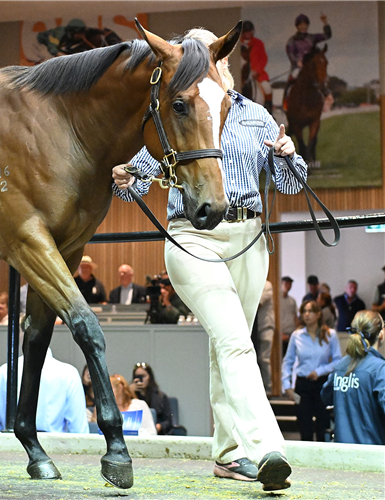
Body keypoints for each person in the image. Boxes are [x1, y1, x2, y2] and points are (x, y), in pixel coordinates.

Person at [111, 27, 307, 491]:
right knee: (237, 342)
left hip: (248, 239)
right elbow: (138, 179)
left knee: (227, 348)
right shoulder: (180, 109)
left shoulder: (257, 116)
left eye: (208, 57)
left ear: (222, 63)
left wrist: (288, 155)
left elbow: (292, 186)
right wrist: (124, 173)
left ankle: (225, 455)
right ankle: (266, 449)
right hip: (193, 238)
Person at [0, 337, 88, 433]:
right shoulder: (69, 374)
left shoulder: (3, 372)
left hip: (10, 447)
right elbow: (79, 431)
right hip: (54, 449)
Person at [321, 310, 385, 445]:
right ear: (381, 334)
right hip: (373, 455)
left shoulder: (340, 366)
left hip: (342, 455)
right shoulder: (379, 369)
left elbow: (326, 397)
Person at [282, 300, 341, 442]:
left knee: (323, 427)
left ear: (318, 314)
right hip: (304, 384)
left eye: (310, 311)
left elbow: (338, 360)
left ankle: (323, 463)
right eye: (304, 311)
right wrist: (287, 386)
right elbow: (287, 361)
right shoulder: (297, 335)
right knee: (305, 428)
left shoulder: (330, 334)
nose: (306, 315)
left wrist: (320, 371)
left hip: (322, 383)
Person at [286, 13, 331, 83]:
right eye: (301, 25)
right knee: (294, 76)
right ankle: (287, 92)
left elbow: (327, 36)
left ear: (307, 26)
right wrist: (297, 61)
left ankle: (327, 94)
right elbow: (290, 54)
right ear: (297, 26)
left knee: (324, 78)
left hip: (312, 65)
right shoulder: (292, 40)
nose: (303, 27)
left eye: (305, 25)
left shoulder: (312, 37)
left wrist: (325, 22)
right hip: (299, 67)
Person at [129, 362, 172, 435]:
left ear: (150, 377)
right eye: (137, 376)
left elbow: (168, 421)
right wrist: (129, 392)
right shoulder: (130, 397)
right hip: (136, 432)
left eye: (143, 376)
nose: (140, 380)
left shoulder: (160, 396)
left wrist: (158, 427)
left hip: (158, 433)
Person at [239, 20, 272, 113]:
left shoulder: (258, 43)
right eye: (246, 31)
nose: (248, 33)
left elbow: (263, 58)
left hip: (257, 74)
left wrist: (256, 70)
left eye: (250, 31)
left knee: (267, 87)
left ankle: (269, 109)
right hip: (240, 75)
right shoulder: (238, 44)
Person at [255, 280, 275, 395]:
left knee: (264, 358)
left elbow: (258, 302)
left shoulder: (266, 285)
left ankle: (268, 388)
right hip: (254, 328)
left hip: (265, 326)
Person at [279, 276, 298, 355]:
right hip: (281, 333)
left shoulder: (292, 301)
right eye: (286, 283)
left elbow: (295, 316)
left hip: (291, 333)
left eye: (289, 284)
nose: (288, 286)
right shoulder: (277, 299)